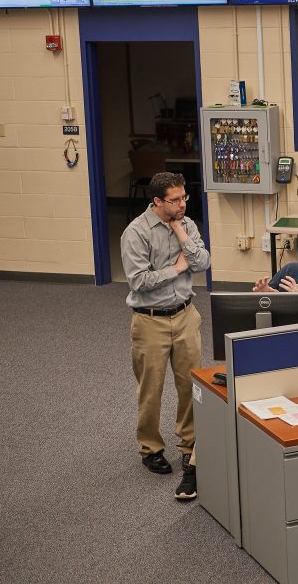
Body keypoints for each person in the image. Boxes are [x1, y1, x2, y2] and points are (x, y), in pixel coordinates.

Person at [121, 171, 210, 501]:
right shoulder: (136, 233)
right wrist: (176, 268)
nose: (182, 204)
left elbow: (203, 260)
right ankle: (150, 447)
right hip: (150, 321)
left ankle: (189, 446)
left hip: (186, 314)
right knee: (151, 387)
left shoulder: (186, 224)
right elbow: (139, 282)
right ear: (157, 201)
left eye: (184, 198)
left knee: (191, 385)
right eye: (175, 201)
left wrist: (179, 231)